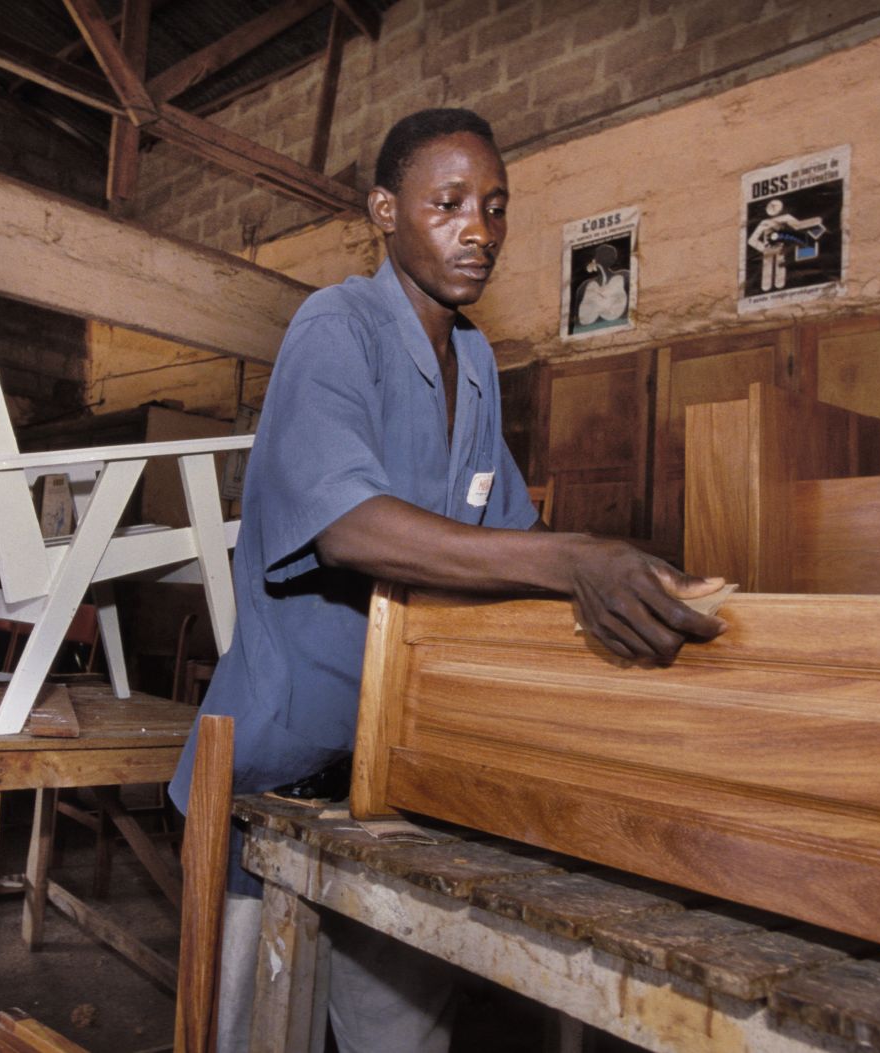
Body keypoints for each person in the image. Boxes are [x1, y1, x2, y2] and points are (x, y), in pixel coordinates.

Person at [167, 109, 727, 1053]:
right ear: (385, 211)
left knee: (402, 1038)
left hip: (398, 781)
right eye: (450, 204)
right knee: (249, 1034)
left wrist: (633, 572)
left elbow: (513, 537)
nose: (480, 230)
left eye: (496, 207)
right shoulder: (336, 326)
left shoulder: (473, 361)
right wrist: (572, 561)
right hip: (277, 776)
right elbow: (349, 527)